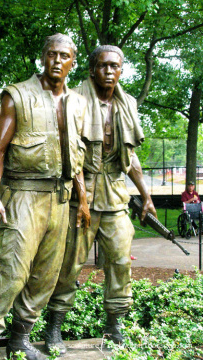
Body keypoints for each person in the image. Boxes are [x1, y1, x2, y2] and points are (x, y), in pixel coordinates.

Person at [0, 33, 90, 360]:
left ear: (72, 62)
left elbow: (76, 157)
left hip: (60, 200)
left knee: (45, 276)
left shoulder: (78, 103)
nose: (58, 61)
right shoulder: (18, 96)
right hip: (23, 194)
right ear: (43, 57)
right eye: (52, 54)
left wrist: (83, 198)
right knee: (13, 270)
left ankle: (20, 338)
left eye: (64, 56)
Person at [45, 45, 157, 351]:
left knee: (120, 260)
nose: (109, 71)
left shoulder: (127, 103)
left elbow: (130, 157)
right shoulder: (73, 99)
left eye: (115, 67)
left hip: (116, 195)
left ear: (121, 71)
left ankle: (115, 323)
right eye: (103, 66)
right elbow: (69, 153)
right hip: (81, 192)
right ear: (93, 69)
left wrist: (145, 195)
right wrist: (81, 197)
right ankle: (54, 325)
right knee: (70, 263)